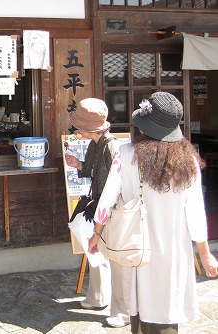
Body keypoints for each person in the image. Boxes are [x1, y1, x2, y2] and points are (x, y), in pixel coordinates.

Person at [89, 92, 218, 333]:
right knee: (167, 309)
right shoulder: (189, 160)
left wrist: (97, 234)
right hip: (174, 250)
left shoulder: (126, 154)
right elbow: (196, 212)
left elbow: (106, 202)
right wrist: (205, 254)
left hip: (136, 245)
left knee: (139, 307)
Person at [65, 98, 130, 328]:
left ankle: (122, 311)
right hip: (100, 205)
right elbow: (91, 170)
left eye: (78, 126)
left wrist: (111, 211)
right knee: (95, 251)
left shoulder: (112, 146)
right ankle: (98, 296)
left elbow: (118, 184)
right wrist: (77, 164)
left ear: (88, 128)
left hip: (112, 209)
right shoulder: (96, 143)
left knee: (114, 257)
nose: (75, 130)